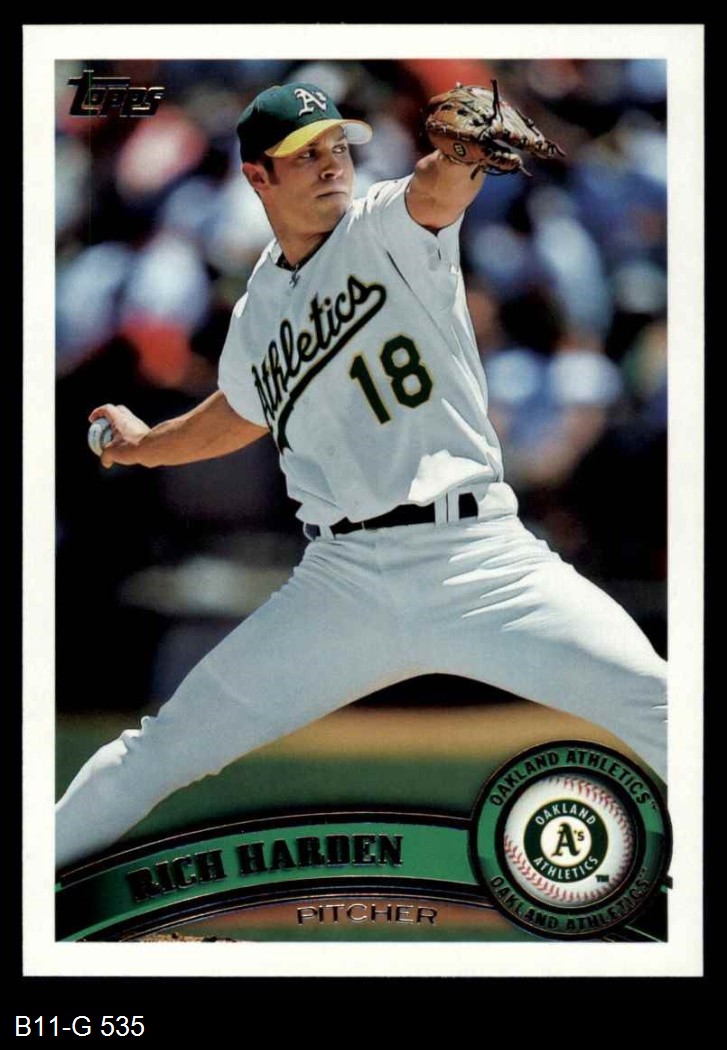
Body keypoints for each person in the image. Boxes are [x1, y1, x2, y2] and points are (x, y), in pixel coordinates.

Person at [56, 82, 667, 870]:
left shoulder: (383, 222)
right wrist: (145, 445)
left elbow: (435, 189)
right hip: (340, 582)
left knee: (663, 707)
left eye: (336, 147)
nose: (329, 164)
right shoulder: (256, 309)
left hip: (482, 563)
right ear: (256, 176)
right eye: (303, 154)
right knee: (160, 749)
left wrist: (463, 152)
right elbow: (239, 411)